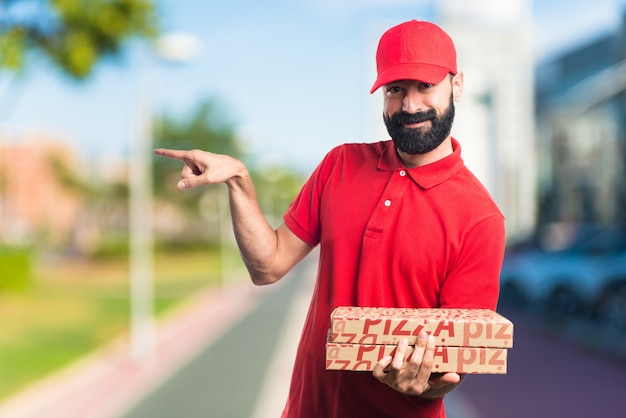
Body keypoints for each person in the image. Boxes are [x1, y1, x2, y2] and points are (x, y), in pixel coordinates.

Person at [155, 19, 505, 418]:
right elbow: (267, 266)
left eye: (425, 86)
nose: (410, 106)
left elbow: (456, 364)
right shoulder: (340, 164)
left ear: (456, 85)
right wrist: (238, 179)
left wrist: (421, 383)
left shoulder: (481, 218)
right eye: (395, 90)